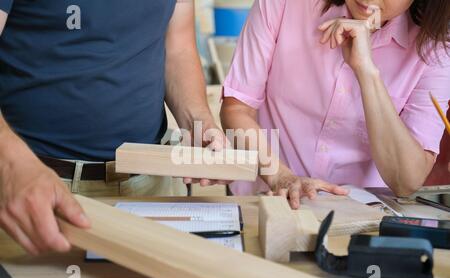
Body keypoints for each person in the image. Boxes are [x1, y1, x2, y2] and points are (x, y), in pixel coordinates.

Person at [0, 0, 226, 255]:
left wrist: (200, 123)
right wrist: (10, 165)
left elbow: (178, 49)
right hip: (36, 192)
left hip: (151, 185)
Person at [221, 0, 450, 209]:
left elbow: (406, 180)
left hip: (363, 218)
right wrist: (282, 177)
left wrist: (367, 73)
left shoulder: (435, 49)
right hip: (265, 201)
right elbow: (237, 109)